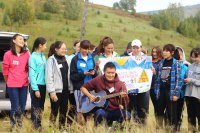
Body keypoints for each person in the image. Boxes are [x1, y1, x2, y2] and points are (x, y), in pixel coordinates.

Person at [80, 62, 131, 126]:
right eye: (108, 73)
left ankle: (116, 129)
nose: (111, 75)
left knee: (127, 115)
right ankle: (98, 130)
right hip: (101, 109)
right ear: (104, 72)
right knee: (99, 113)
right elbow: (83, 88)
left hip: (115, 109)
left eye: (113, 73)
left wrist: (124, 97)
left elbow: (125, 104)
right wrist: (90, 96)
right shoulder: (98, 80)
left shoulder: (121, 84)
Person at [2, 34, 30, 131]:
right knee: (15, 106)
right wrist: (9, 82)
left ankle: (20, 125)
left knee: (22, 106)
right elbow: (5, 71)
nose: (22, 41)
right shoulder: (8, 54)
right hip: (12, 85)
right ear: (14, 41)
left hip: (24, 84)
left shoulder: (26, 54)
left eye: (23, 39)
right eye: (20, 39)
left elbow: (29, 68)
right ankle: (13, 127)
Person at [154, 44, 182, 131]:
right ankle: (158, 130)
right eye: (164, 50)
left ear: (172, 52)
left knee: (171, 114)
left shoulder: (176, 63)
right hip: (161, 91)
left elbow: (179, 80)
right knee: (159, 113)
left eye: (167, 51)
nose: (164, 52)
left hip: (171, 92)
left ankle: (172, 130)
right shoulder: (161, 62)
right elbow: (157, 78)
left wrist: (176, 94)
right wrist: (156, 91)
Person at [70, 40, 97, 124]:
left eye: (87, 49)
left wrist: (93, 73)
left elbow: (94, 74)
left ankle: (88, 128)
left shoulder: (91, 58)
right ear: (80, 48)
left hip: (90, 88)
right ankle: (79, 128)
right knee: (80, 110)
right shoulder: (75, 59)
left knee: (90, 110)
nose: (85, 51)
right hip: (79, 88)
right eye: (84, 49)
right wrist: (83, 74)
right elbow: (72, 76)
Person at [45, 41, 69, 130]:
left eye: (65, 49)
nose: (64, 50)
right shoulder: (51, 60)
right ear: (56, 49)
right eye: (62, 49)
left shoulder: (67, 58)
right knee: (54, 111)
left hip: (66, 90)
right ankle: (51, 129)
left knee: (64, 110)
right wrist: (52, 92)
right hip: (56, 91)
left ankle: (62, 128)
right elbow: (49, 77)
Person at [128, 39, 150, 125]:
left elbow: (149, 69)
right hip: (131, 87)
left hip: (143, 88)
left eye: (137, 48)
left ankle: (142, 126)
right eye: (134, 47)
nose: (136, 50)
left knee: (142, 107)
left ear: (141, 48)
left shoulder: (146, 58)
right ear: (131, 48)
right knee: (131, 106)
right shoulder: (126, 57)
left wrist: (151, 69)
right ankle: (130, 125)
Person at [29, 37, 47, 130]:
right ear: (40, 45)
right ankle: (34, 126)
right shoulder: (33, 57)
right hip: (36, 85)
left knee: (41, 107)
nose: (46, 47)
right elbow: (31, 74)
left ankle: (39, 125)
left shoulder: (43, 56)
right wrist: (35, 89)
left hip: (43, 85)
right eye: (45, 45)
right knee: (35, 107)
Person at [184, 48, 200, 133]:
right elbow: (186, 77)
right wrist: (185, 81)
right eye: (192, 57)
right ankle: (191, 131)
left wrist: (191, 80)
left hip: (198, 96)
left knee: (199, 115)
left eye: (196, 57)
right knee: (190, 116)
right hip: (188, 95)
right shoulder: (189, 66)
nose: (193, 59)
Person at [175, 46, 189, 132]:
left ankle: (178, 129)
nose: (179, 56)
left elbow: (187, 78)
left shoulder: (186, 65)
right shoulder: (171, 64)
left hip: (182, 93)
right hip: (171, 94)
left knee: (179, 112)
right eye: (177, 54)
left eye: (180, 54)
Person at [67, 40, 80, 124]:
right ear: (74, 47)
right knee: (73, 107)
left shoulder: (85, 57)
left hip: (82, 87)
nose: (80, 48)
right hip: (72, 87)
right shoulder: (70, 58)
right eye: (78, 46)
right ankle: (69, 125)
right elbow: (68, 74)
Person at [150, 46, 162, 121]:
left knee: (160, 107)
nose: (154, 53)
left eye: (156, 52)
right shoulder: (149, 61)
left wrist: (155, 73)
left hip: (159, 88)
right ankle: (158, 126)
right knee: (155, 107)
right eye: (153, 52)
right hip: (151, 87)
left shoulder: (162, 61)